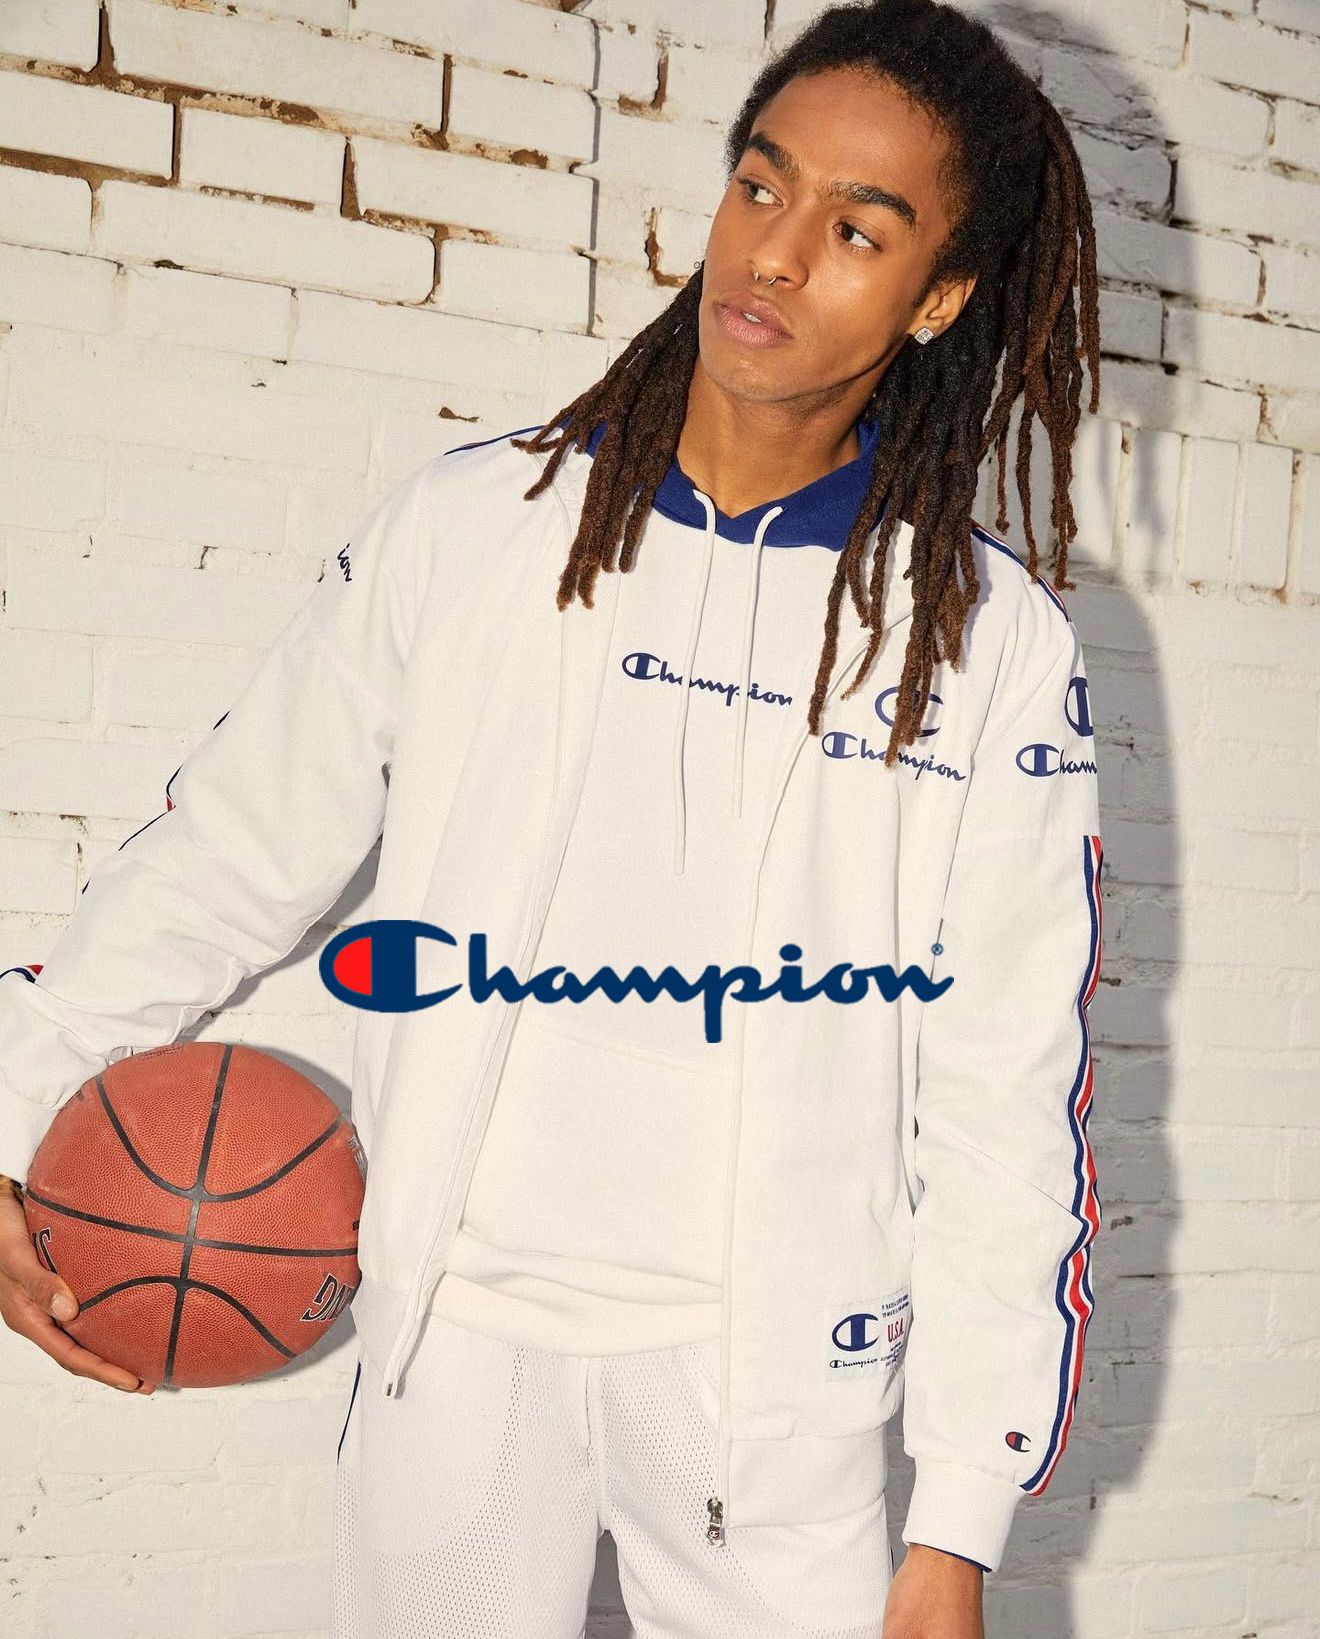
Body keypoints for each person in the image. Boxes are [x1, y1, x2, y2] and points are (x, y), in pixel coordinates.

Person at [0, 1, 1106, 1634]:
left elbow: (1005, 1083)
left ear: (938, 296)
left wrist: (959, 1516)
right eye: (761, 185)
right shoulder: (477, 531)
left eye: (857, 229)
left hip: (768, 1385)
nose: (776, 252)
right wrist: (11, 1109)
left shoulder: (985, 643)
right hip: (454, 1343)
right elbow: (227, 854)